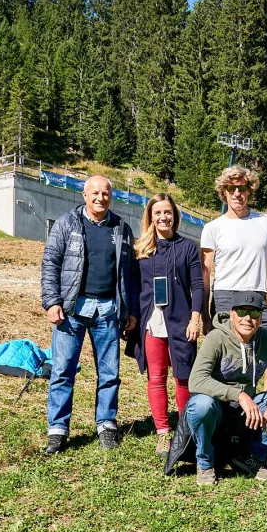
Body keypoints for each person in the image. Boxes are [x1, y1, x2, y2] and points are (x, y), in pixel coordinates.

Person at [41, 175, 138, 453]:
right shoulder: (66, 224)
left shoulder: (121, 228)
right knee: (62, 371)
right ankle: (58, 429)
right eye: (95, 193)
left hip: (108, 310)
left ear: (111, 196)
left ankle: (106, 423)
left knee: (109, 373)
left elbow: (129, 274)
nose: (100, 198)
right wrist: (51, 301)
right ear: (84, 195)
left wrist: (128, 309)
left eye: (106, 193)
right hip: (72, 309)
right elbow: (50, 264)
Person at [185, 291, 267, 486]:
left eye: (254, 313)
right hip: (217, 408)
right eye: (242, 311)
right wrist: (239, 395)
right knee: (200, 404)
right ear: (232, 313)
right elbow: (197, 380)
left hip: (248, 412)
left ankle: (250, 455)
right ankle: (205, 462)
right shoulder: (216, 338)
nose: (247, 318)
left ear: (261, 317)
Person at [126, 194, 205, 457]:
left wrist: (196, 317)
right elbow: (135, 287)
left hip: (181, 322)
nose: (163, 217)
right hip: (152, 321)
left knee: (183, 377)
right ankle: (163, 433)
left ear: (175, 215)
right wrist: (134, 317)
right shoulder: (141, 249)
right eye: (158, 213)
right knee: (156, 378)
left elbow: (198, 285)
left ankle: (186, 429)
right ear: (150, 216)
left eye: (168, 212)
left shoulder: (188, 247)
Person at [200, 165, 267, 358]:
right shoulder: (212, 228)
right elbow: (205, 273)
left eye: (241, 188)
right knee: (228, 356)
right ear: (223, 192)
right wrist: (205, 314)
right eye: (231, 189)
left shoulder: (266, 222)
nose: (236, 194)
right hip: (225, 296)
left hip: (257, 294)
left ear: (249, 191)